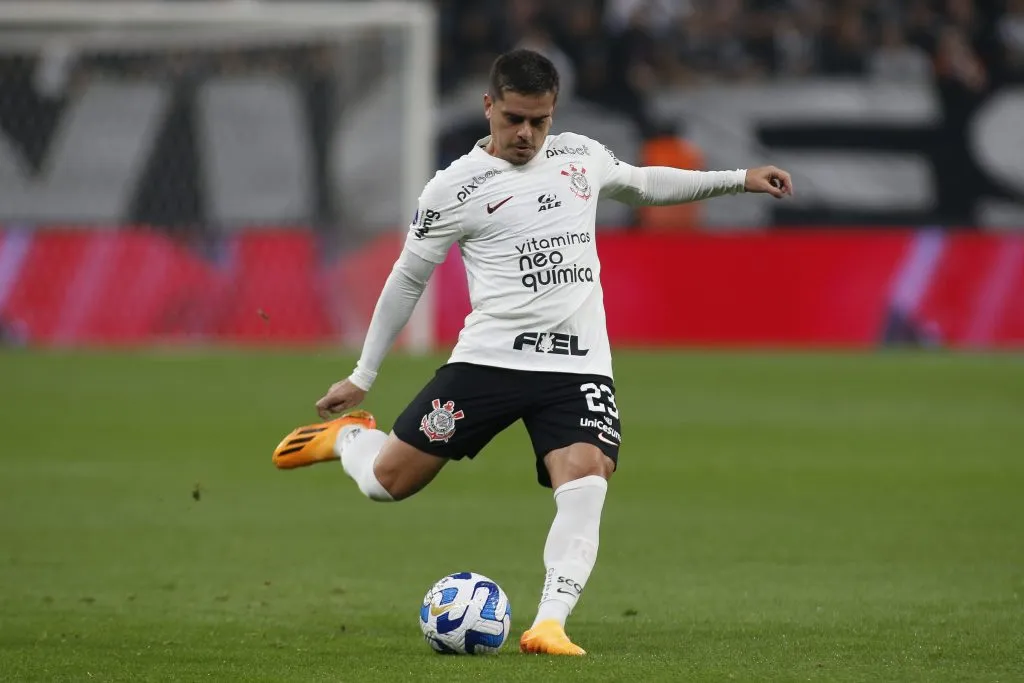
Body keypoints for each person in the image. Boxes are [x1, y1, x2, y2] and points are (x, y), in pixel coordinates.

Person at [272, 48, 793, 656]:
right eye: (514, 118)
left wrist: (739, 178)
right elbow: (407, 278)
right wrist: (363, 375)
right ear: (489, 107)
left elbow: (645, 183)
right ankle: (351, 440)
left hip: (575, 366)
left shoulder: (580, 156)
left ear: (554, 113)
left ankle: (550, 623)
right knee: (389, 483)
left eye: (538, 121)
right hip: (489, 360)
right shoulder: (453, 188)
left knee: (587, 474)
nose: (525, 134)